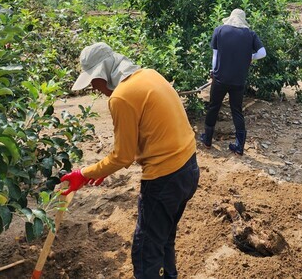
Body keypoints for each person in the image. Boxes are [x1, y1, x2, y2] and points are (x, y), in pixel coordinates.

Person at [60, 42, 199, 279]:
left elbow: (123, 156)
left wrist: (83, 174)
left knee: (146, 249)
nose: (93, 87)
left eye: (93, 80)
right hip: (188, 169)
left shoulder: (121, 98)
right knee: (163, 239)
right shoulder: (149, 75)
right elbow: (143, 139)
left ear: (103, 73)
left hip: (164, 179)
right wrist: (102, 169)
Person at [200, 9, 266, 155]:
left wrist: (213, 72)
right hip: (238, 80)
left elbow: (215, 57)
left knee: (214, 107)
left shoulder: (219, 30)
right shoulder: (250, 34)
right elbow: (263, 53)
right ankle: (239, 146)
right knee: (236, 111)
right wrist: (251, 57)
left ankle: (207, 140)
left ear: (230, 18)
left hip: (220, 78)